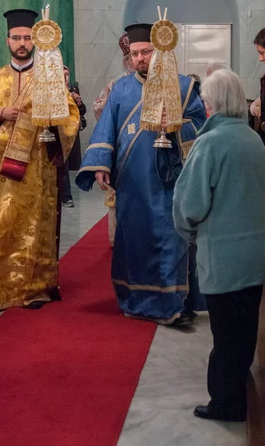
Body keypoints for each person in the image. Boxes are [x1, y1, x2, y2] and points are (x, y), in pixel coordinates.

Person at [76, 23, 206, 326]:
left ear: (160, 50)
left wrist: (176, 124)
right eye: (134, 53)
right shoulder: (120, 89)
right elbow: (106, 128)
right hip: (132, 183)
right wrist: (100, 165)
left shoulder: (184, 86)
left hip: (169, 182)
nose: (139, 59)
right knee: (133, 241)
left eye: (145, 51)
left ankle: (172, 305)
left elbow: (202, 130)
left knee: (171, 241)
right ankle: (134, 300)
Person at [173, 69, 265, 422]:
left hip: (226, 256)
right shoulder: (255, 142)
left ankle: (226, 403)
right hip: (257, 254)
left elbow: (191, 204)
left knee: (225, 334)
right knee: (246, 328)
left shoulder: (210, 143)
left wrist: (189, 233)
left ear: (212, 103)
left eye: (204, 101)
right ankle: (240, 384)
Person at [0, 9, 79, 311]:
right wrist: (0, 113)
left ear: (36, 41)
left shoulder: (49, 79)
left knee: (33, 228)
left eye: (27, 37)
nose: (22, 43)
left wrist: (50, 120)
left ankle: (33, 289)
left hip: (36, 170)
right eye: (16, 37)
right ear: (7, 41)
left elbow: (70, 118)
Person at [92, 33, 134, 247]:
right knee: (117, 197)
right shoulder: (115, 84)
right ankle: (116, 239)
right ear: (126, 61)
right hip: (119, 146)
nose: (134, 62)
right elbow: (98, 107)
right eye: (130, 58)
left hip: (141, 146)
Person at [59, 66, 87, 208]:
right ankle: (63, 196)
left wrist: (79, 102)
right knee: (61, 165)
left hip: (72, 131)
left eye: (67, 74)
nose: (65, 77)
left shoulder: (73, 90)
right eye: (62, 74)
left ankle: (66, 196)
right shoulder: (55, 90)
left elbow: (82, 110)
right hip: (58, 131)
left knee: (67, 165)